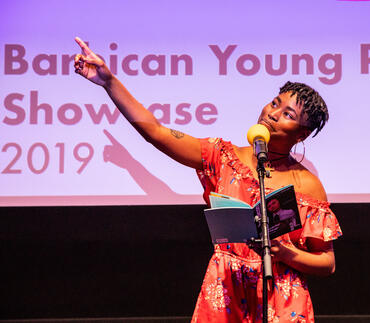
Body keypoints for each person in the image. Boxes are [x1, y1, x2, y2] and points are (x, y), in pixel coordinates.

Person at [74, 37, 342, 323]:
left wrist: (285, 253)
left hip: (283, 297)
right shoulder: (221, 156)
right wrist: (109, 82)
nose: (272, 114)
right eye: (275, 103)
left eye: (287, 114)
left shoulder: (307, 184)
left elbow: (327, 263)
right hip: (226, 289)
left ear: (301, 134)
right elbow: (157, 132)